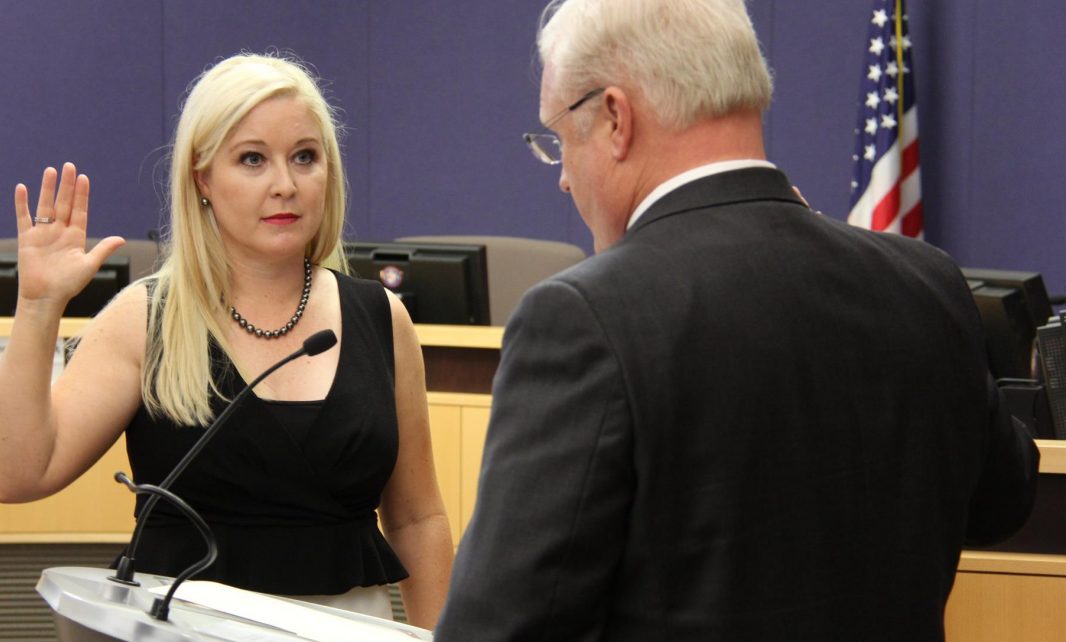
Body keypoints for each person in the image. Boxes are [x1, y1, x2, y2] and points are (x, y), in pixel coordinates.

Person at [435, 1, 1039, 639]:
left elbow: (498, 627)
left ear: (615, 117)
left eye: (560, 136)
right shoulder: (926, 284)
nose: (562, 177)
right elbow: (1004, 503)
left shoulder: (583, 319)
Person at [0, 53, 453, 628]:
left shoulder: (382, 319)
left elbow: (416, 519)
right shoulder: (148, 319)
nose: (285, 184)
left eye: (305, 157)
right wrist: (37, 308)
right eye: (252, 159)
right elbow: (16, 475)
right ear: (202, 178)